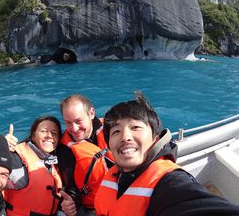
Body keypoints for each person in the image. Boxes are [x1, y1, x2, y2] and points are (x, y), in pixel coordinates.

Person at [94, 91, 239, 216]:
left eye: (135, 127)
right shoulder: (116, 174)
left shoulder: (169, 183)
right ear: (109, 145)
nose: (125, 137)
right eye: (116, 131)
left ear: (155, 139)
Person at [57, 94, 114, 216]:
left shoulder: (113, 129)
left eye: (78, 121)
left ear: (91, 113)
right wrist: (70, 206)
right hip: (92, 208)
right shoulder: (64, 150)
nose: (74, 128)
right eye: (68, 122)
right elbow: (71, 187)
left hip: (123, 197)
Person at [4, 116, 63, 216]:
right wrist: (1, 150)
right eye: (44, 131)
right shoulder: (17, 161)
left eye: (54, 133)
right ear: (33, 136)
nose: (49, 136)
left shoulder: (52, 160)